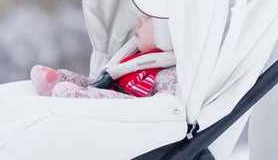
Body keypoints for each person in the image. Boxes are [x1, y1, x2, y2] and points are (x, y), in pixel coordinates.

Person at [30, 14, 178, 99]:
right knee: (94, 83)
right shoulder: (136, 56)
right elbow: (105, 82)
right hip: (110, 90)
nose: (138, 21)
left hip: (124, 112)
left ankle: (77, 96)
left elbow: (161, 107)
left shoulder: (167, 73)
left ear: (167, 33)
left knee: (96, 96)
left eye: (148, 18)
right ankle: (57, 81)